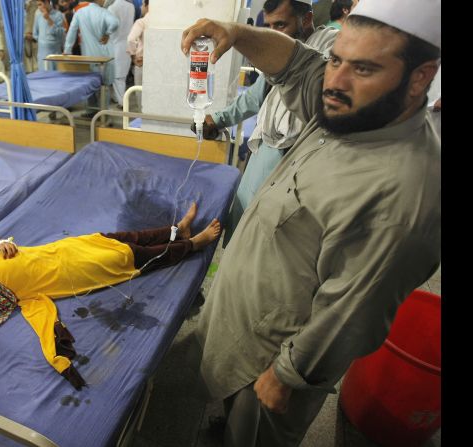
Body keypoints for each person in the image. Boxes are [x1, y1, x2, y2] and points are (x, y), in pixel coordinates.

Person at [179, 0, 440, 444]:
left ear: (421, 78)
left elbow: (353, 311)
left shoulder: (406, 196)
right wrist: (236, 33)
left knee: (255, 433)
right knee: (230, 416)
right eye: (336, 58)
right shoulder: (356, 108)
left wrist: (288, 375)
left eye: (363, 68)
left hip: (274, 358)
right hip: (247, 321)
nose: (334, 81)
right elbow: (298, 65)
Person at [0, 203, 222, 430]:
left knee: (118, 238)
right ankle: (192, 244)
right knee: (132, 257)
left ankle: (176, 230)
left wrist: (0, 244)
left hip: (62, 249)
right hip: (68, 272)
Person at [192, 0, 337, 244]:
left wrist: (237, 33)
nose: (273, 33)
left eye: (281, 25)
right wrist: (217, 118)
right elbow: (256, 95)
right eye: (268, 25)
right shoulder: (277, 57)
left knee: (270, 239)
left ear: (307, 19)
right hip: (264, 150)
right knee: (240, 225)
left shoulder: (330, 45)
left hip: (296, 157)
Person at [64, 0, 118, 116]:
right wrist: (107, 33)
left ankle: (91, 111)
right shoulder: (103, 12)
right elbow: (115, 23)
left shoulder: (79, 13)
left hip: (88, 56)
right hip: (104, 55)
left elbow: (71, 32)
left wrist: (67, 50)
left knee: (90, 84)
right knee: (104, 85)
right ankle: (103, 112)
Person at [107, 0, 135, 102]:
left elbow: (110, 29)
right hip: (127, 44)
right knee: (122, 76)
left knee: (117, 77)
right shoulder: (131, 7)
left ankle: (122, 102)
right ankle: (119, 99)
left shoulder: (111, 8)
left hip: (115, 45)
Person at [33, 0, 65, 71]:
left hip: (55, 53)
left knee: (56, 77)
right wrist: (43, 42)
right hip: (42, 54)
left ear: (47, 3)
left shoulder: (58, 14)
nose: (39, 8)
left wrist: (49, 19)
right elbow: (35, 33)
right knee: (44, 78)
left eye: (40, 5)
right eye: (38, 5)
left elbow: (61, 33)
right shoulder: (38, 15)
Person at [126, 0, 148, 88]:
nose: (140, 7)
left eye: (142, 5)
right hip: (156, 63)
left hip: (141, 62)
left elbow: (130, 39)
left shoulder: (141, 22)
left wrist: (133, 56)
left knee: (140, 93)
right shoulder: (160, 21)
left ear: (148, 6)